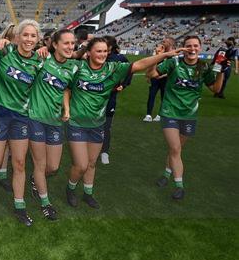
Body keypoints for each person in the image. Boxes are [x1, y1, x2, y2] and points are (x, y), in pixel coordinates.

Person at [65, 37, 184, 209]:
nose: (102, 54)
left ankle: (88, 193)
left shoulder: (113, 69)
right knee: (81, 164)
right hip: (76, 123)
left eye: (105, 51)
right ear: (89, 52)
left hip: (98, 124)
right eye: (98, 51)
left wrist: (164, 55)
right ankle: (70, 188)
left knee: (91, 163)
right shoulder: (78, 67)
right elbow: (66, 85)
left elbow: (141, 64)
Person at [0, 19, 45, 226]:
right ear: (17, 37)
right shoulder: (4, 53)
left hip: (21, 117)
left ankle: (20, 206)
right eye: (26, 35)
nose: (29, 39)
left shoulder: (40, 62)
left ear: (38, 39)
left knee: (19, 163)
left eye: (33, 36)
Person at [148, 35, 224, 200]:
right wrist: (158, 56)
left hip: (189, 115)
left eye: (195, 46)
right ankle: (179, 186)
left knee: (176, 150)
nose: (192, 49)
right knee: (175, 148)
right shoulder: (174, 62)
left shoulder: (204, 68)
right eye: (188, 46)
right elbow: (152, 74)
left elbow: (216, 90)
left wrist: (221, 72)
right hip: (170, 111)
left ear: (200, 48)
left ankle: (166, 174)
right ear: (183, 48)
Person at [27, 29, 77, 220]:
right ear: (55, 44)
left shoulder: (72, 68)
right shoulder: (42, 59)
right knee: (40, 164)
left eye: (72, 43)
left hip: (55, 121)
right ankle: (45, 203)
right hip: (35, 119)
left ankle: (34, 179)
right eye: (66, 43)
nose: (70, 47)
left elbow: (65, 88)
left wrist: (66, 109)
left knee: (53, 167)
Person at [100, 35, 132, 165]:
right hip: (94, 97)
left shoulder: (119, 58)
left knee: (106, 126)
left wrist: (123, 85)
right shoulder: (95, 56)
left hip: (110, 96)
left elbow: (130, 70)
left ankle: (105, 152)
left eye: (105, 45)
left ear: (111, 47)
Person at [0, 23, 17, 192]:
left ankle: (3, 173)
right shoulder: (3, 52)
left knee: (10, 144)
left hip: (18, 106)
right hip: (1, 103)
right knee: (2, 143)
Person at [144, 37, 175, 122]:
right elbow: (151, 63)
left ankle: (160, 115)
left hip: (165, 80)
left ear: (170, 44)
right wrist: (148, 76)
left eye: (165, 42)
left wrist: (162, 76)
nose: (162, 43)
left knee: (163, 97)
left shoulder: (173, 54)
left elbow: (173, 70)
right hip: (155, 78)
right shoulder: (159, 52)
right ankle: (148, 115)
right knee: (151, 95)